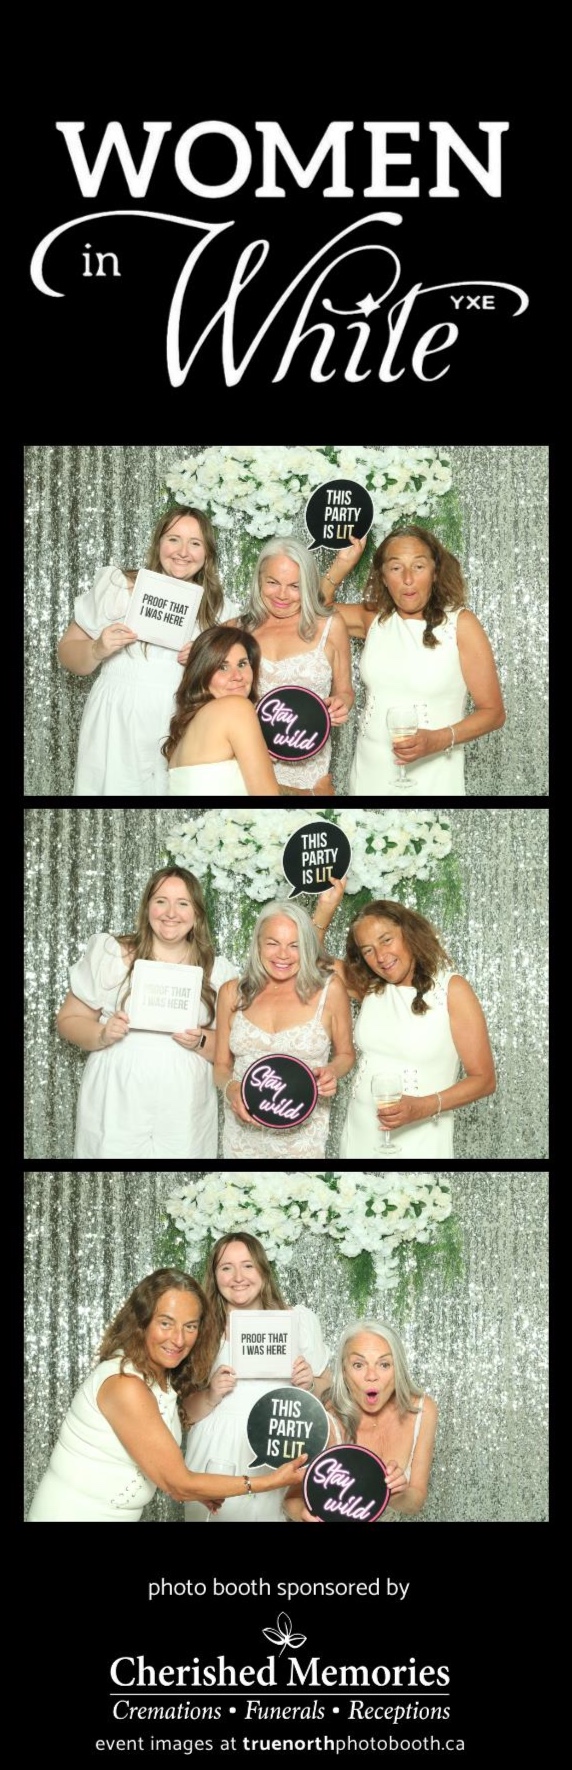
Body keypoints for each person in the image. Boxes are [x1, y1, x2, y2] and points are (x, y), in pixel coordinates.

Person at [28, 1269, 307, 1521]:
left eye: (190, 1326)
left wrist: (199, 1489)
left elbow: (162, 1464)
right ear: (141, 1322)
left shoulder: (159, 1379)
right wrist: (270, 1482)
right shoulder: (125, 1384)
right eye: (166, 1323)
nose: (178, 1339)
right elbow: (178, 1483)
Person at [56, 866, 238, 1158]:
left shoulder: (218, 971)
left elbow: (231, 1048)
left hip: (185, 1102)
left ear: (197, 913)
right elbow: (68, 1020)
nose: (170, 913)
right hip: (116, 1094)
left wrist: (201, 1041)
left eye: (183, 903)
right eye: (161, 901)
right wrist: (102, 1033)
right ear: (147, 907)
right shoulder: (112, 954)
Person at [58, 506, 238, 796]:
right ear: (158, 543)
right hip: (116, 720)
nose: (182, 552)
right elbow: (67, 654)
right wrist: (97, 648)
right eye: (173, 539)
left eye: (195, 543)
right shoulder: (120, 587)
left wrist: (205, 661)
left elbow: (234, 682)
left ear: (207, 554)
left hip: (182, 723)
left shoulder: (220, 610)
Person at [313, 878, 496, 1157]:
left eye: (386, 940)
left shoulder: (452, 989)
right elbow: (310, 957)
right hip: (361, 1133)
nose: (381, 956)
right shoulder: (371, 987)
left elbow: (484, 1080)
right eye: (368, 950)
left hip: (420, 1136)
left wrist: (423, 1107)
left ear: (409, 934)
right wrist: (325, 909)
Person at [321, 525, 505, 796]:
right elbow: (312, 611)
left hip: (434, 772)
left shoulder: (461, 624)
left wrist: (437, 740)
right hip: (370, 771)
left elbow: (493, 713)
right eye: (396, 568)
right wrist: (342, 565)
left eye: (418, 566)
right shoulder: (374, 618)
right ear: (383, 576)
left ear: (435, 572)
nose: (407, 579)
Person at [183, 1235, 331, 1524]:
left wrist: (309, 1385)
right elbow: (183, 1415)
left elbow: (328, 1390)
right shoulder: (199, 1329)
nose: (238, 1277)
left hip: (278, 1447)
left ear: (263, 1269)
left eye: (248, 1265)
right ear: (214, 1275)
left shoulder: (297, 1320)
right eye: (226, 1268)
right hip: (215, 1454)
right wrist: (211, 1394)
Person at [214, 901, 355, 1158]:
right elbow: (221, 1067)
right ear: (258, 943)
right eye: (273, 943)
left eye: (294, 945)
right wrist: (231, 1089)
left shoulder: (330, 990)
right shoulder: (231, 993)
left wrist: (332, 1071)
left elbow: (346, 1055)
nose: (283, 955)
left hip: (303, 1139)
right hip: (242, 1136)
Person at [284, 1320, 438, 1522]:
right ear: (344, 1371)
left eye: (384, 1364)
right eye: (358, 1365)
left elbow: (416, 1501)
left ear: (398, 1368)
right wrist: (305, 1515)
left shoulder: (422, 1411)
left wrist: (397, 1493)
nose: (371, 1376)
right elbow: (292, 1499)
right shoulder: (328, 1419)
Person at [238, 538, 355, 796]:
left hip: (310, 773)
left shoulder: (330, 626)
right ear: (259, 580)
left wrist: (341, 704)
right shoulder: (235, 630)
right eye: (272, 582)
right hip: (249, 766)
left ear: (309, 585)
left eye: (294, 586)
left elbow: (345, 690)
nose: (282, 595)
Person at [162, 626, 279, 796]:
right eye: (223, 667)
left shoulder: (190, 726)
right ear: (202, 673)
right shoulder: (236, 707)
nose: (237, 676)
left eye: (242, 664)